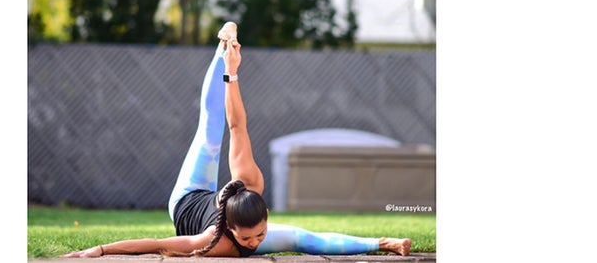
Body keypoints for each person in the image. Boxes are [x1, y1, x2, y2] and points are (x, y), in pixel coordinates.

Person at [64, 22, 411, 258]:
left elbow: (238, 125)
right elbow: (155, 243)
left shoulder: (250, 181)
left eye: (259, 235)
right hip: (187, 201)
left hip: (203, 195)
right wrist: (101, 251)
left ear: (265, 214)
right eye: (247, 239)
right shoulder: (209, 242)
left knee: (303, 238)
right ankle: (221, 46)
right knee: (209, 126)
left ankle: (386, 242)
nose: (255, 243)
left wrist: (234, 73)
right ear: (229, 228)